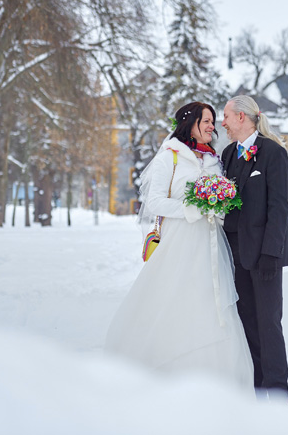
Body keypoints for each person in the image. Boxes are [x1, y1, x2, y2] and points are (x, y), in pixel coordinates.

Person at [104, 102, 253, 391]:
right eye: (207, 121)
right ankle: (165, 370)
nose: (213, 126)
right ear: (190, 124)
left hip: (211, 244)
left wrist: (217, 208)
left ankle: (215, 379)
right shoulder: (169, 157)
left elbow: (221, 203)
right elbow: (154, 202)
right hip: (178, 242)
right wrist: (192, 208)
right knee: (175, 299)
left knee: (211, 303)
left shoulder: (215, 160)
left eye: (213, 121)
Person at [221, 95, 288, 400]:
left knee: (268, 323)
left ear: (242, 117)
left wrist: (270, 254)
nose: (222, 123)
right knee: (247, 322)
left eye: (225, 116)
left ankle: (277, 392)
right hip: (235, 253)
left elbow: (278, 208)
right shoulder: (227, 154)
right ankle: (256, 387)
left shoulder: (273, 153)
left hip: (265, 255)